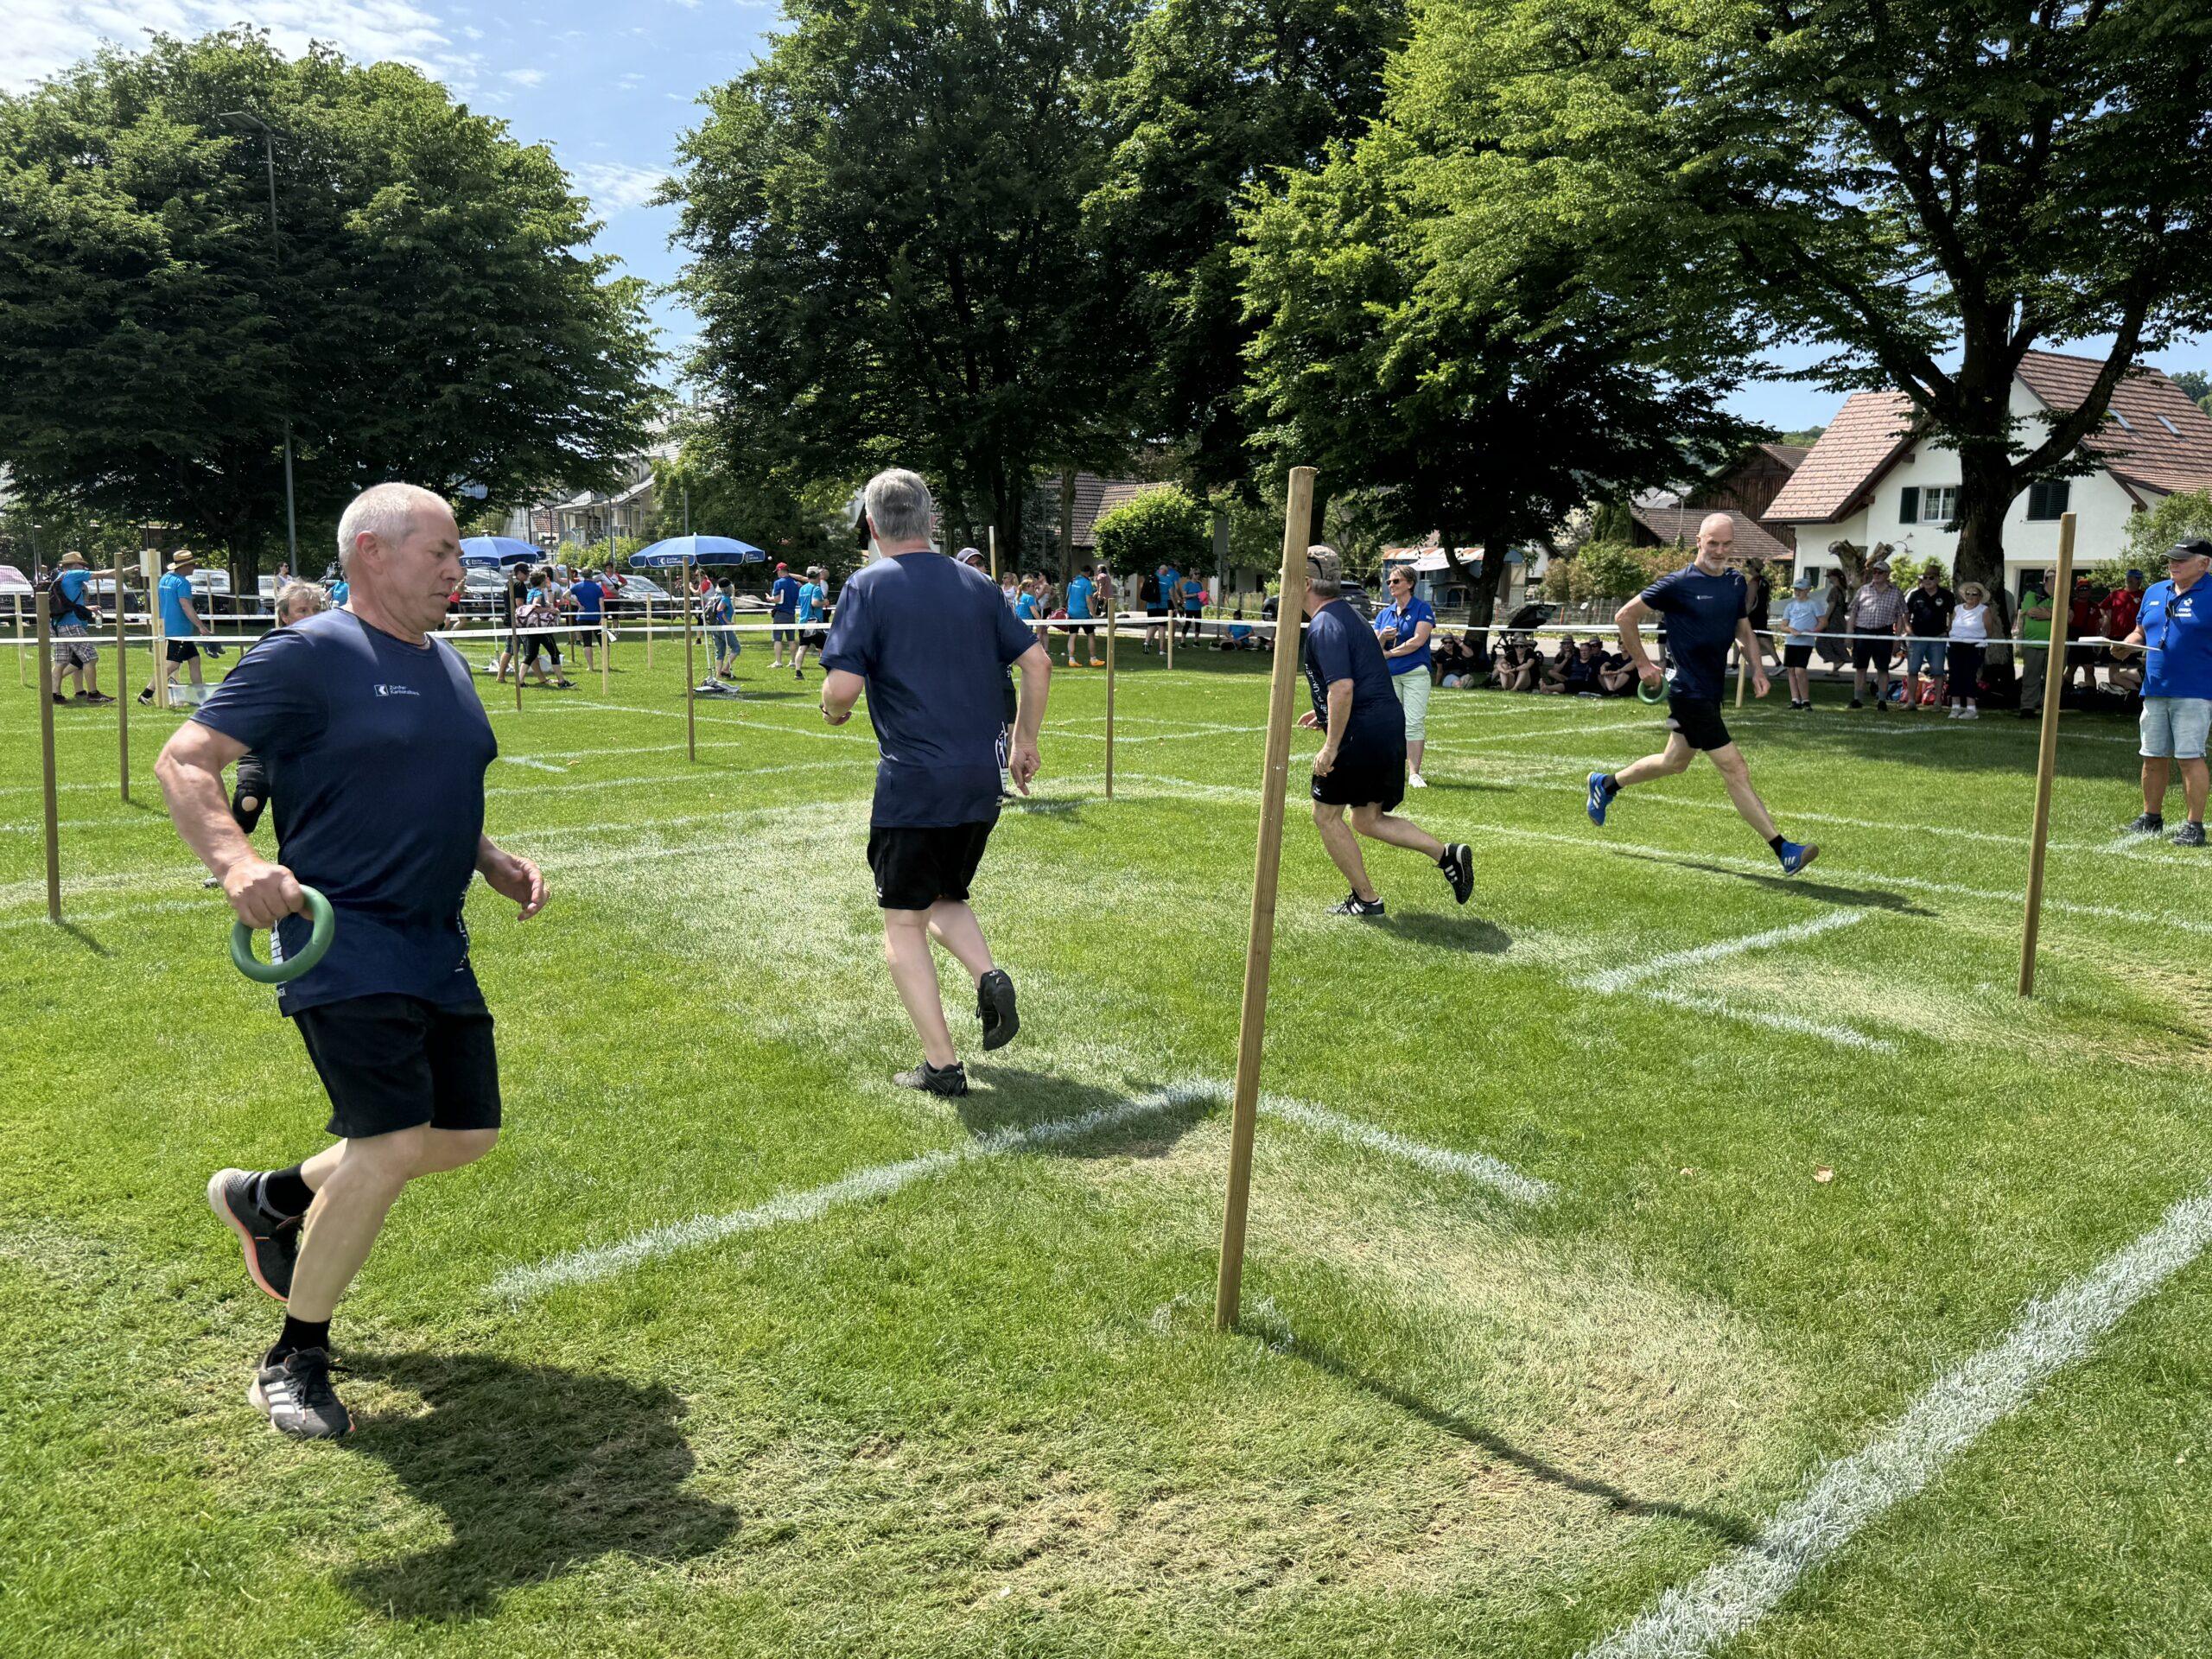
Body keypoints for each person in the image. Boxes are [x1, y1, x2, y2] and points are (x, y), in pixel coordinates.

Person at [159, 481, 544, 1439]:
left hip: (435, 937)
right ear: (371, 550)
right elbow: (185, 759)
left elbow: (422, 785)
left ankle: (271, 1198)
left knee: (464, 1134)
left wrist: (490, 859)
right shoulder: (308, 653)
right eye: (441, 552)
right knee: (386, 1142)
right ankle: (294, 1359)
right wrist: (238, 861)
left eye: (459, 555)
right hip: (340, 934)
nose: (458, 570)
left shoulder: (447, 663)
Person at [818, 468, 1050, 1096]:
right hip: (979, 780)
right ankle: (988, 976)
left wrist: (832, 710)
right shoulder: (978, 584)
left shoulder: (867, 585)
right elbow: (1037, 662)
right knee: (945, 895)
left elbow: (841, 690)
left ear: (872, 526)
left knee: (902, 923)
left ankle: (942, 1067)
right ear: (931, 521)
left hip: (914, 782)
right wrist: (1025, 742)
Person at [1585, 512, 1818, 875]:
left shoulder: (1736, 582)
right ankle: (1783, 849)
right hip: (1687, 690)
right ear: (1698, 541)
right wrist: (1643, 665)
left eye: (1726, 544)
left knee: (1674, 763)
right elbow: (1625, 616)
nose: (1719, 550)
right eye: (1713, 543)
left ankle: (1606, 784)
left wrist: (1758, 669)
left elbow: (1743, 628)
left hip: (1711, 689)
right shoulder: (1677, 583)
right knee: (1735, 768)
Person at [1295, 547, 1473, 917]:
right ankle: (1447, 855)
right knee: (1367, 819)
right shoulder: (1351, 616)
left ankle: (1366, 899)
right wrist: (1324, 711)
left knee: (1326, 816)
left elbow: (1343, 687)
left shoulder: (1324, 624)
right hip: (1384, 725)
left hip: (1360, 732)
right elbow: (1364, 674)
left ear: (1307, 582)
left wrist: (1331, 746)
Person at [2117, 538, 2212, 846]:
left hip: (2195, 691)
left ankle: (2194, 826)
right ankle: (2151, 817)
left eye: (2181, 559)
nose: (2173, 564)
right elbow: (2141, 630)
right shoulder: (2155, 591)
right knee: (2152, 756)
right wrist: (2126, 645)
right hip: (2155, 688)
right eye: (2171, 558)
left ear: (2204, 563)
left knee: (2189, 757)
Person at [227, 582, 327, 840]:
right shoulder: (271, 646)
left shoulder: (332, 648)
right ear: (284, 616)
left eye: (316, 609)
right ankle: (228, 856)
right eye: (302, 610)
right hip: (263, 742)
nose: (311, 615)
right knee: (248, 799)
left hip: (307, 746)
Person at [1372, 566, 1437, 786]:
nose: (1391, 585)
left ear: (1410, 584)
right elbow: (1375, 648)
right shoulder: (1384, 614)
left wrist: (1389, 653)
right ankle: (1390, 770)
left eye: (1396, 581)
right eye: (1389, 582)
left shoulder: (1422, 608)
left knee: (1414, 722)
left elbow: (1418, 641)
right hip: (1389, 675)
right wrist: (1383, 637)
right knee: (1390, 722)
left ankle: (1414, 774)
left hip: (1415, 673)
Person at [45, 550, 124, 705]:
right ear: (74, 565)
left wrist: (86, 608)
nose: (84, 567)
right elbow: (102, 574)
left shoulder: (60, 576)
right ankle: (93, 694)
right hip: (71, 625)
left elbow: (67, 603)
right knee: (91, 657)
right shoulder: (74, 574)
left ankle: (55, 694)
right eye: (82, 564)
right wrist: (124, 570)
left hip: (57, 624)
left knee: (61, 661)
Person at [141, 549, 212, 706]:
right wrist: (201, 627)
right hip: (179, 630)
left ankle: (199, 696)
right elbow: (186, 606)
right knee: (173, 664)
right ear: (184, 566)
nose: (194, 567)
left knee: (194, 660)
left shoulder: (165, 579)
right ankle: (147, 693)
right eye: (192, 564)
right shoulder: (182, 583)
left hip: (168, 626)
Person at [1847, 559, 1906, 709]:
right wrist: (1849, 635)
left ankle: (1882, 701)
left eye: (1880, 572)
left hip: (1884, 632)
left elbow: (1901, 616)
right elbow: (1853, 612)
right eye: (1874, 571)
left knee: (1883, 668)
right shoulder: (1863, 590)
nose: (1876, 574)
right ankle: (1857, 699)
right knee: (1860, 667)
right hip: (1862, 631)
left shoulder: (1896, 592)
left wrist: (1897, 640)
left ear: (1887, 574)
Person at [1902, 566, 1956, 709]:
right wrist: (1909, 630)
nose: (1927, 580)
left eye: (1931, 578)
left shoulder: (1947, 595)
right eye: (1924, 577)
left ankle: (1938, 702)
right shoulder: (1915, 594)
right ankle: (1911, 701)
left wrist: (1948, 630)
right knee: (1913, 670)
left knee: (1938, 671)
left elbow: (1953, 614)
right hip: (1917, 638)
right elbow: (1906, 614)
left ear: (1938, 579)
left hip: (1937, 639)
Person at [1946, 580, 1992, 720]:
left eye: (1974, 594)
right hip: (1955, 645)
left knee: (1969, 675)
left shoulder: (1984, 610)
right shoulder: (1957, 609)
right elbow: (1951, 627)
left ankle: (1971, 709)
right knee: (1954, 675)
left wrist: (1979, 640)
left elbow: (1989, 631)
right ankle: (1955, 707)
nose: (1970, 596)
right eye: (1968, 593)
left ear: (1980, 596)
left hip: (1974, 646)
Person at [1780, 570, 1823, 709]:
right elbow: (1783, 625)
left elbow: (1823, 622)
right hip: (1791, 642)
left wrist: (1812, 631)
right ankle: (1795, 700)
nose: (1797, 592)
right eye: (1795, 589)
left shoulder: (1813, 604)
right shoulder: (1790, 606)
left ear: (1808, 590)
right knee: (1791, 670)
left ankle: (1806, 700)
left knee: (1800, 670)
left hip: (1805, 643)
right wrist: (1791, 630)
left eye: (1800, 590)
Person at [2017, 571, 2054, 716]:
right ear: (2046, 580)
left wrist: (2046, 613)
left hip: (2055, 646)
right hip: (2033, 643)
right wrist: (2054, 614)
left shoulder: (2065, 596)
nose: (2056, 580)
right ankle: (2028, 707)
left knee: (2053, 680)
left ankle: (2048, 709)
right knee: (2031, 678)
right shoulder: (2032, 594)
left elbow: (2068, 617)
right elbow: (2032, 612)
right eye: (2053, 577)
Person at [1062, 563, 1103, 668]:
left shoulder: (1072, 581)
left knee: (1073, 635)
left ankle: (1071, 660)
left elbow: (1068, 597)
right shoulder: (1087, 583)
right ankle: (1093, 659)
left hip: (1072, 612)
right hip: (1083, 613)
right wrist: (1094, 615)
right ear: (1088, 572)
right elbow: (1089, 601)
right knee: (1090, 634)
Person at [568, 564, 605, 674]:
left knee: (587, 642)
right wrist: (602, 617)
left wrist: (578, 603)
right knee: (603, 641)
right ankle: (606, 665)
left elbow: (565, 595)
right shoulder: (597, 587)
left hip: (582, 617)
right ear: (592, 575)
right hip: (596, 617)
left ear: (582, 575)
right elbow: (601, 604)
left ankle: (590, 667)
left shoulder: (577, 586)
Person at [768, 561, 803, 668]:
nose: (777, 574)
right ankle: (792, 662)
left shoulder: (778, 583)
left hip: (780, 613)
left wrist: (769, 599)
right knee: (791, 639)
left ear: (780, 570)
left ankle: (778, 662)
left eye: (777, 572)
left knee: (777, 638)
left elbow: (777, 599)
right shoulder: (796, 584)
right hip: (791, 613)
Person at [796, 564, 829, 675]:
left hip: (802, 622)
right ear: (817, 576)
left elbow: (800, 603)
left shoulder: (802, 589)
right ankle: (828, 671)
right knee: (824, 648)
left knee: (802, 648)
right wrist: (824, 602)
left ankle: (798, 672)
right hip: (814, 623)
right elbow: (814, 603)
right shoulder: (816, 588)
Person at [1141, 565, 1168, 652]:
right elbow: (1172, 593)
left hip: (1151, 605)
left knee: (1151, 625)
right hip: (1162, 606)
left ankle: (1146, 642)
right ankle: (1161, 650)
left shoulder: (1151, 578)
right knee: (1161, 627)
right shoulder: (1167, 580)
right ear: (1165, 571)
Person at [1179, 569, 1206, 642]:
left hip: (1198, 607)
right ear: (1191, 574)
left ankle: (1196, 641)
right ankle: (1182, 641)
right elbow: (1184, 596)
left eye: (1199, 573)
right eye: (1196, 573)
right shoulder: (1187, 584)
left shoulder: (1199, 584)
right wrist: (1193, 595)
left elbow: (1201, 594)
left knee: (1198, 624)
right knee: (1188, 624)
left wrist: (1204, 598)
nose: (1197, 575)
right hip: (1190, 608)